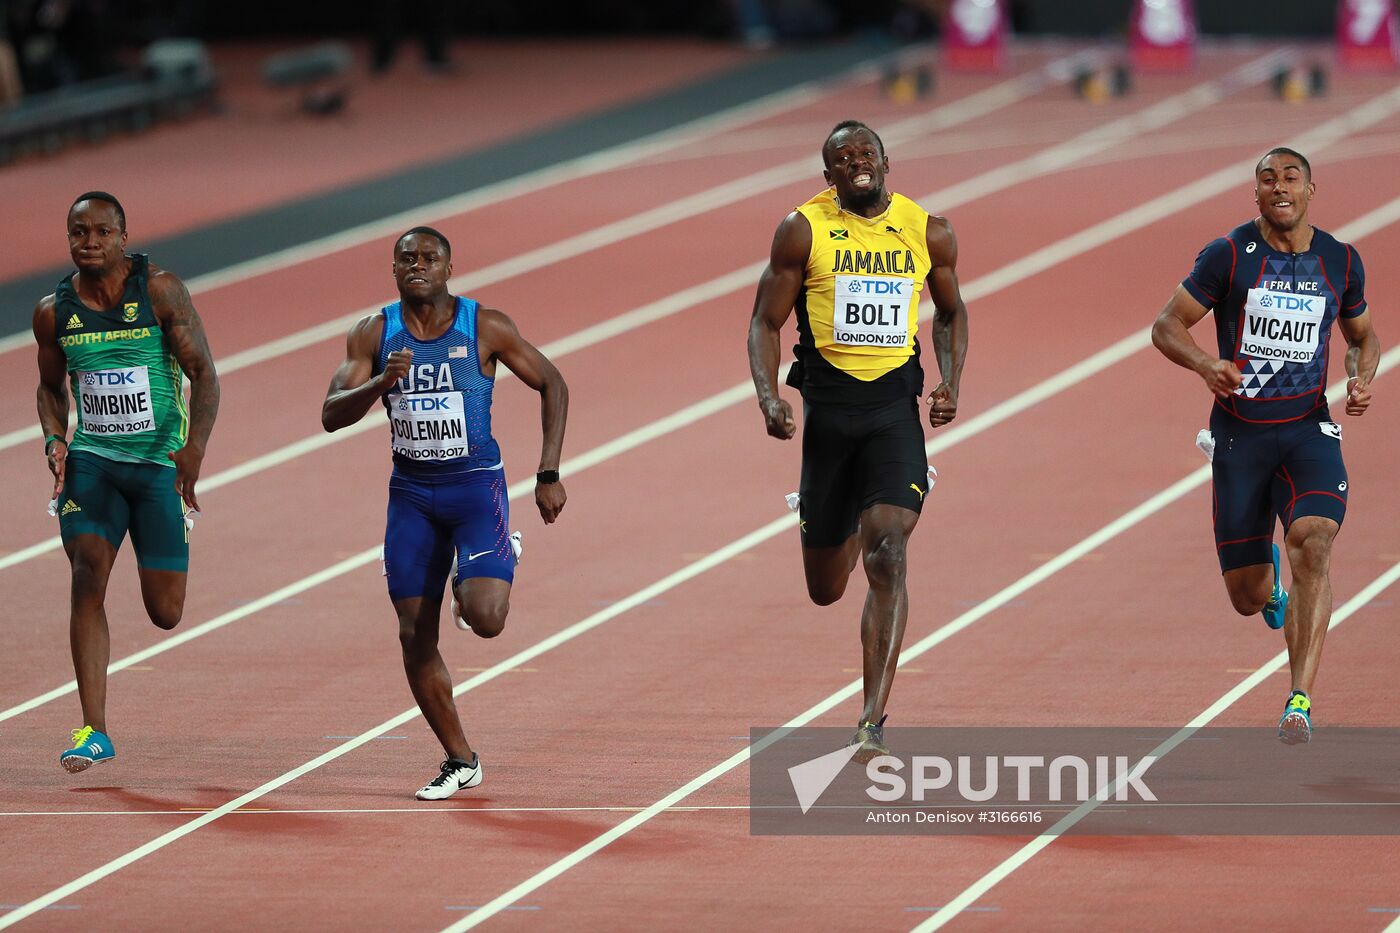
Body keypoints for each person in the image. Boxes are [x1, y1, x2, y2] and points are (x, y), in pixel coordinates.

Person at [746, 120, 969, 760]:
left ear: (886, 161)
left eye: (865, 152)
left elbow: (951, 311)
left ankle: (872, 718)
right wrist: (769, 396)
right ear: (828, 177)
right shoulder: (803, 229)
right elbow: (764, 320)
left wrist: (949, 381)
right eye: (842, 159)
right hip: (828, 421)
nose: (856, 163)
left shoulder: (929, 229)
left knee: (889, 555)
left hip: (893, 413)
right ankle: (833, 515)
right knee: (826, 587)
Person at [322, 226, 568, 800]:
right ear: (393, 269)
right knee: (413, 633)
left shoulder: (484, 325)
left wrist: (548, 472)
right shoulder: (373, 333)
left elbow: (552, 381)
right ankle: (460, 758)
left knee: (486, 619)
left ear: (449, 268)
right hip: (411, 497)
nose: (418, 265)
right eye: (407, 258)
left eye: (429, 257)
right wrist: (383, 381)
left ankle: (494, 556)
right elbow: (332, 414)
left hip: (475, 490)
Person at [1152, 148, 1380, 745]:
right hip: (1239, 435)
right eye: (1267, 180)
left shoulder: (1340, 259)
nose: (1279, 187)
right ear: (1255, 195)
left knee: (1314, 540)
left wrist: (1361, 374)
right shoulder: (1228, 255)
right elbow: (1166, 325)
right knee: (1246, 596)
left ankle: (1298, 697)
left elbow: (1363, 335)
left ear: (1311, 190)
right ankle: (1271, 591)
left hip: (1308, 429)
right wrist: (1206, 363)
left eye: (1290, 178)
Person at [34, 191, 221, 772]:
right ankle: (94, 729)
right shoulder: (53, 311)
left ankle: (172, 532)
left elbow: (203, 373)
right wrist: (55, 438)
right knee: (87, 574)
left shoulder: (160, 290)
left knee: (165, 611)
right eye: (78, 233)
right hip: (93, 463)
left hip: (158, 465)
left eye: (100, 232)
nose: (88, 243)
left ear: (122, 235)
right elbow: (49, 387)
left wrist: (193, 451)